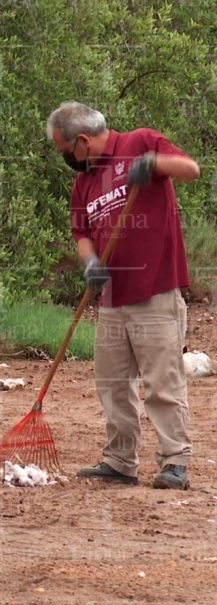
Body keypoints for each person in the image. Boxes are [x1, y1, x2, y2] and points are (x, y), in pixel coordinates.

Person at [46, 101, 199, 489]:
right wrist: (90, 262)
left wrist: (154, 164)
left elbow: (191, 170)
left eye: (66, 151)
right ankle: (119, 460)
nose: (66, 159)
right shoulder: (84, 181)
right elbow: (81, 232)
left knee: (161, 380)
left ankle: (174, 461)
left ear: (82, 140)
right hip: (112, 298)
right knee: (113, 382)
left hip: (154, 291)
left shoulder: (141, 142)